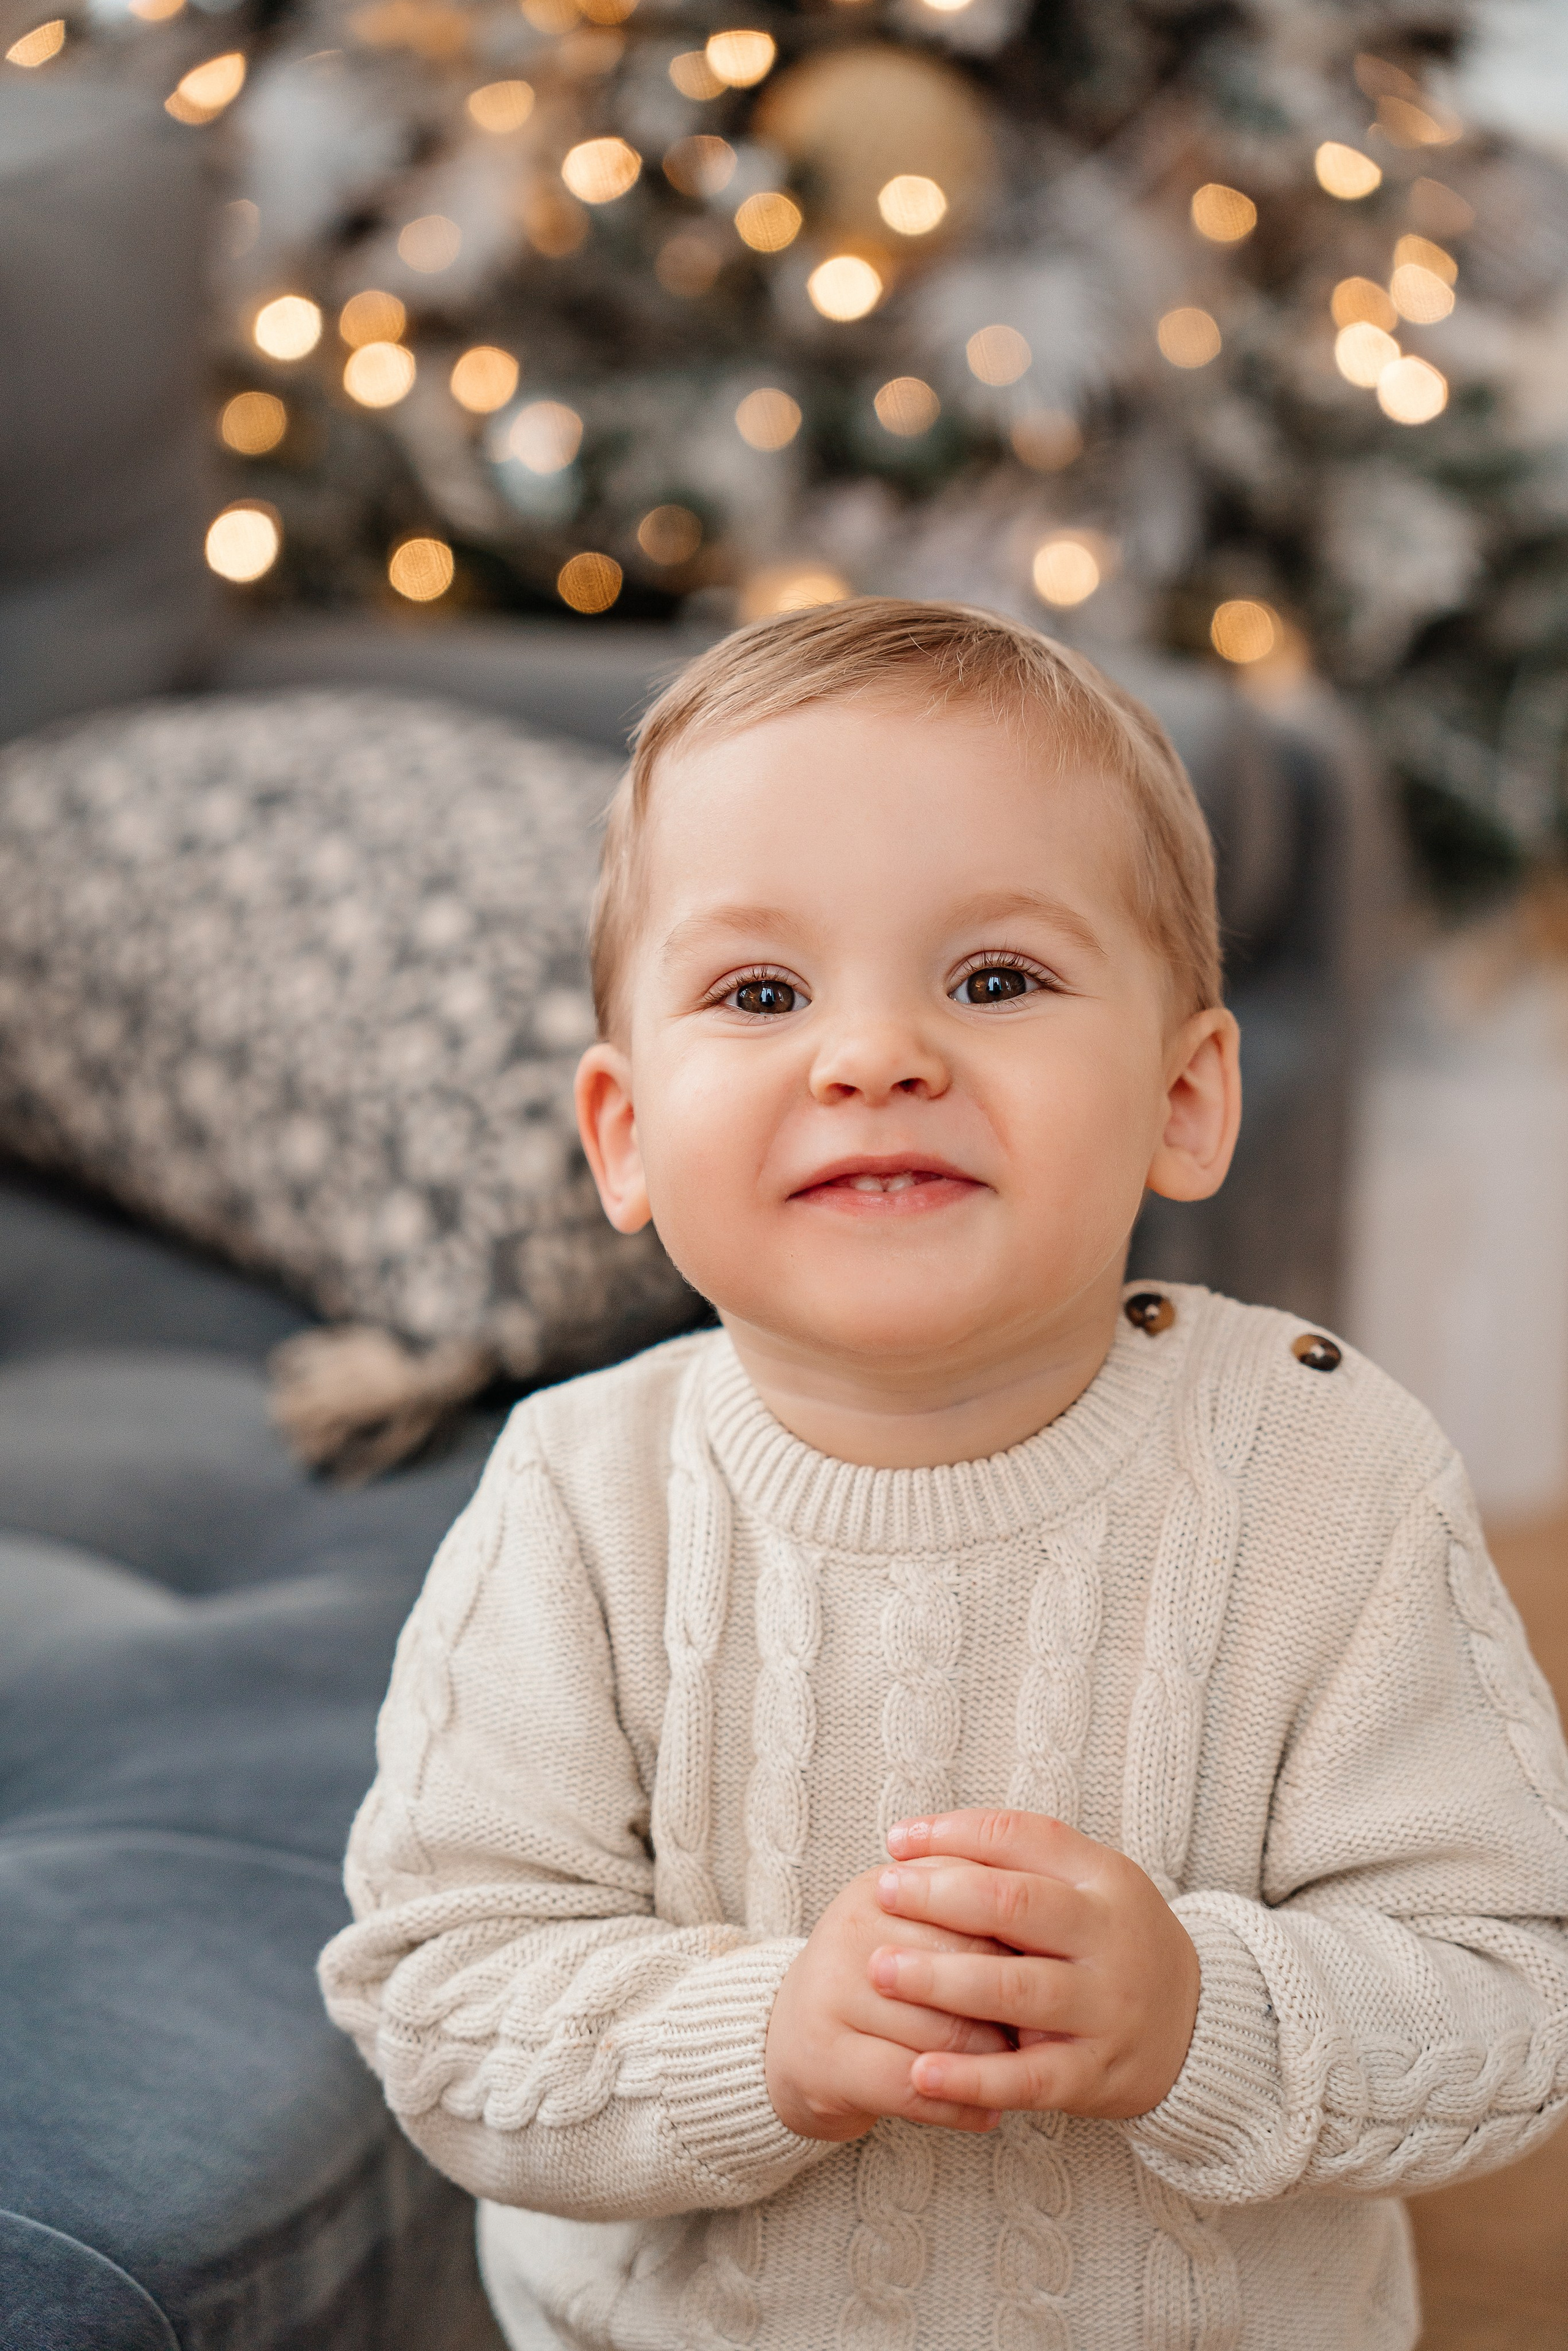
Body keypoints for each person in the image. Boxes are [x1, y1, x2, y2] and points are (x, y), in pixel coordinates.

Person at [318, 600, 1568, 2350]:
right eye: (762, 991)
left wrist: (1200, 2014)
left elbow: (1516, 1995)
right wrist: (761, 2041)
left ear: (1185, 1098)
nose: (872, 1056)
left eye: (996, 979)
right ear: (624, 1137)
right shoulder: (580, 1496)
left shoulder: (1326, 1479)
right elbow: (443, 2001)